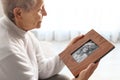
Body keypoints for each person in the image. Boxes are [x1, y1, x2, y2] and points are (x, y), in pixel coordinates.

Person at [0, 0, 99, 80]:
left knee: (62, 78)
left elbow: (42, 70)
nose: (45, 13)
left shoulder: (22, 31)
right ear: (19, 13)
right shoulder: (9, 52)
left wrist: (67, 53)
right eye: (39, 9)